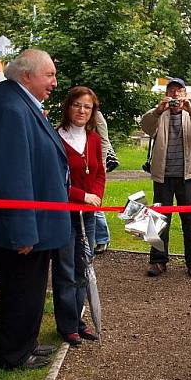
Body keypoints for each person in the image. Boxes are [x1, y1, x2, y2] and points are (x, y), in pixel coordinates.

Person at [0, 48, 70, 370]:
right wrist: (22, 231)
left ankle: (26, 343)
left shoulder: (11, 99)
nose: (53, 81)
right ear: (26, 75)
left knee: (27, 288)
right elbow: (12, 175)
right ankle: (16, 355)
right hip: (21, 225)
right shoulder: (10, 107)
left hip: (27, 219)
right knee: (21, 289)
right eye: (48, 75)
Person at [52, 86, 106, 346]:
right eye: (77, 105)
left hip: (89, 214)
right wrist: (80, 196)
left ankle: (79, 321)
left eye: (88, 107)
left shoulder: (94, 139)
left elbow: (98, 173)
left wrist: (95, 197)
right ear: (68, 107)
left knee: (85, 266)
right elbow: (53, 180)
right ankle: (67, 325)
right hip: (64, 213)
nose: (82, 111)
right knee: (65, 269)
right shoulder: (56, 138)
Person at [140, 77, 191, 278]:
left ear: (185, 94)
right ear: (166, 94)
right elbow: (145, 125)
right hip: (162, 176)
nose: (175, 95)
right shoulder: (159, 114)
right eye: (171, 91)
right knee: (159, 219)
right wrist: (158, 110)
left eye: (179, 91)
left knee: (189, 220)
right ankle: (157, 261)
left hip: (186, 176)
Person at [92, 110, 113, 254]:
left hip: (95, 166)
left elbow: (104, 140)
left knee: (95, 203)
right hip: (80, 166)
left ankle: (102, 239)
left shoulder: (97, 115)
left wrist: (101, 163)